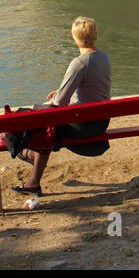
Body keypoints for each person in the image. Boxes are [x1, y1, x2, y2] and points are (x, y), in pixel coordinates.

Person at [14, 16, 112, 195]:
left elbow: (59, 103)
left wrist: (46, 103)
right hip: (100, 122)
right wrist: (61, 91)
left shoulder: (79, 63)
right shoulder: (105, 58)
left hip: (82, 126)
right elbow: (93, 89)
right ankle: (33, 178)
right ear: (96, 35)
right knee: (48, 124)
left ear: (75, 38)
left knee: (41, 124)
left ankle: (31, 161)